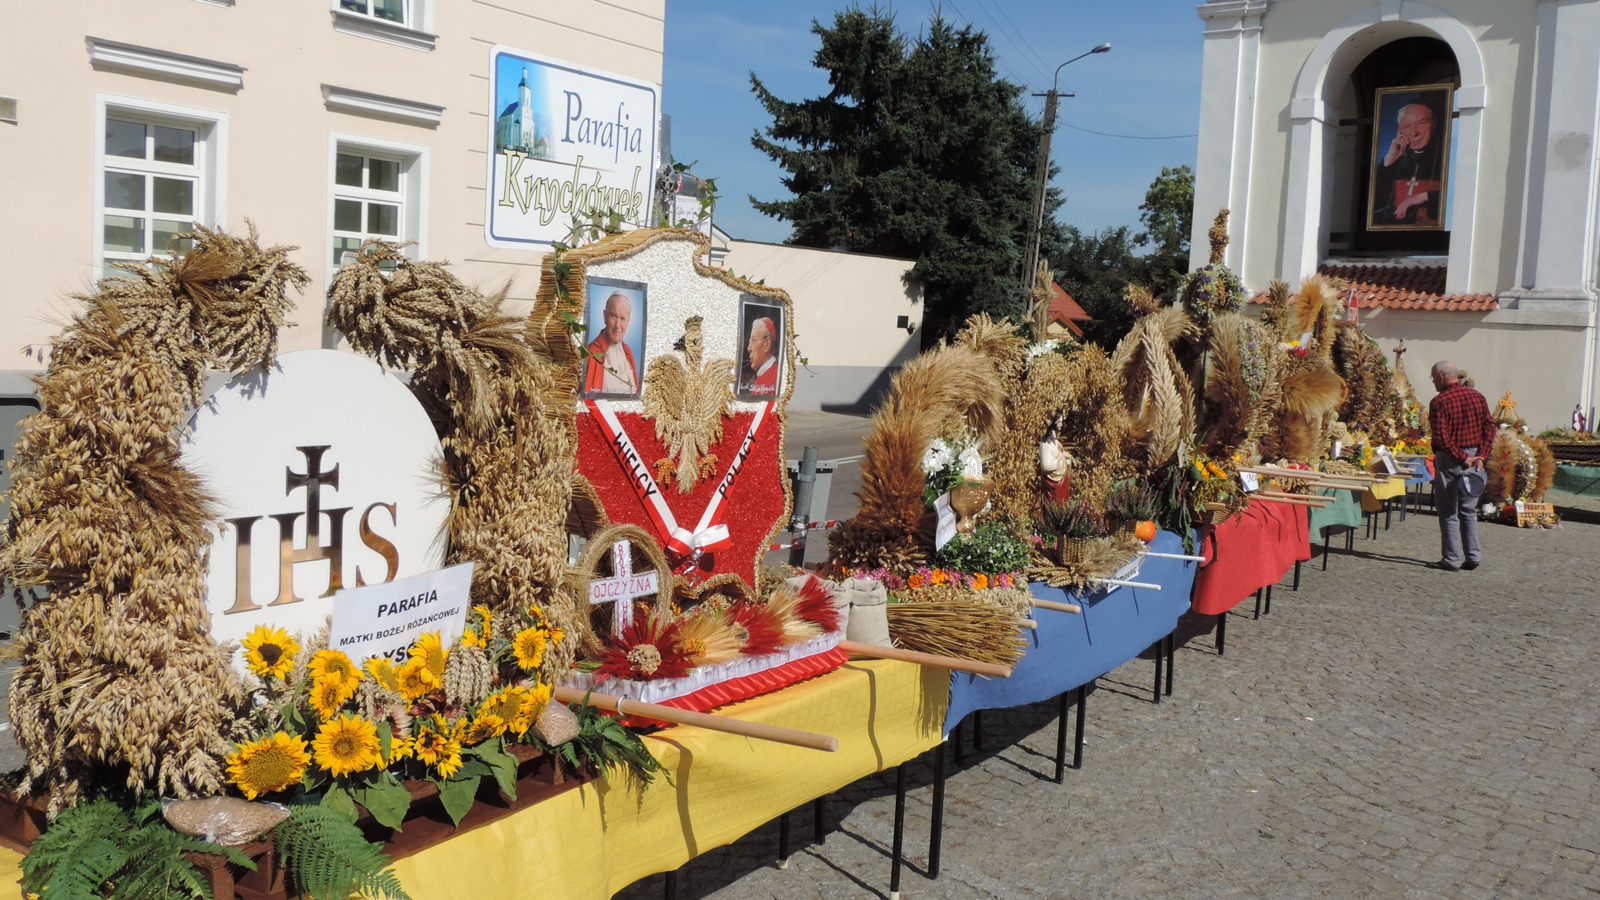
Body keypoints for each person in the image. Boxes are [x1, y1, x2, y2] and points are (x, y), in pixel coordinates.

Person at [1428, 360, 1495, 571]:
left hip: (1451, 458)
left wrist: (1462, 457)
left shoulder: (1439, 402)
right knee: (1468, 509)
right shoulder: (1478, 396)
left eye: (1433, 378)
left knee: (1448, 511)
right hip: (1475, 457)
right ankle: (1473, 555)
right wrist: (1481, 456)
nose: (1433, 382)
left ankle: (1451, 559)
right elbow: (1490, 428)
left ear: (1440, 377)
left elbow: (1441, 437)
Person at [1373, 101, 1444, 227]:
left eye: (1421, 123)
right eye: (1406, 126)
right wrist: (1388, 161)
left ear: (1434, 124)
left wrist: (1425, 196)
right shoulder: (1397, 159)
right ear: (1400, 131)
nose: (1414, 132)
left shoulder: (1446, 155)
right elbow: (1371, 204)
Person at [583, 292, 639, 395]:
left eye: (622, 319)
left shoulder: (627, 351)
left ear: (628, 322)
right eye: (613, 316)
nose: (617, 325)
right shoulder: (591, 352)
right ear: (605, 316)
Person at [745, 315, 779, 395]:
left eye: (754, 340)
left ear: (766, 344)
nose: (749, 348)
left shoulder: (772, 377)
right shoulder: (763, 374)